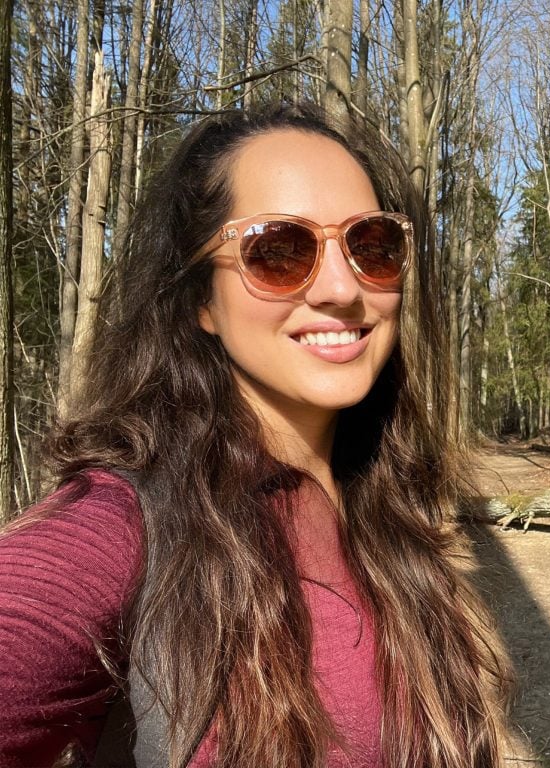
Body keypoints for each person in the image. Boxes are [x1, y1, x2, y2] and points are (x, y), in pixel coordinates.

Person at [0, 102, 512, 768]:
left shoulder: (383, 509)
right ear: (200, 301)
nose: (341, 287)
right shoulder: (126, 525)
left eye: (372, 245)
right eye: (278, 250)